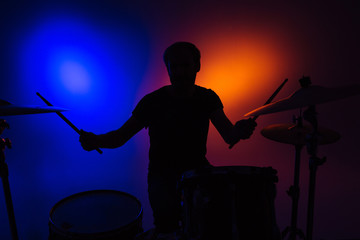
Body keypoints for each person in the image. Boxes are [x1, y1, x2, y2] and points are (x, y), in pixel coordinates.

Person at [79, 42, 257, 240]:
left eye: (185, 65)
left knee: (211, 226)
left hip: (197, 174)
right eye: (175, 67)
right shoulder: (152, 101)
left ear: (197, 66)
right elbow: (121, 136)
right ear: (168, 69)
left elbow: (229, 136)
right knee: (168, 231)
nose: (180, 72)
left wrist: (240, 132)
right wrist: (96, 140)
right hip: (162, 178)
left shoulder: (207, 98)